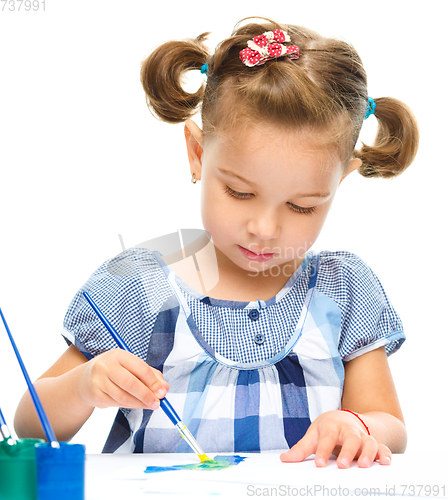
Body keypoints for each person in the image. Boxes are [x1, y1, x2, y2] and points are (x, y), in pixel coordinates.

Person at [14, 17, 419, 469]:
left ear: (339, 182)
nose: (264, 228)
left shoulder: (343, 290)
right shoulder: (141, 286)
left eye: (302, 206)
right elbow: (31, 425)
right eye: (240, 193)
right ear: (198, 154)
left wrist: (359, 426)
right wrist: (83, 385)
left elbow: (390, 427)